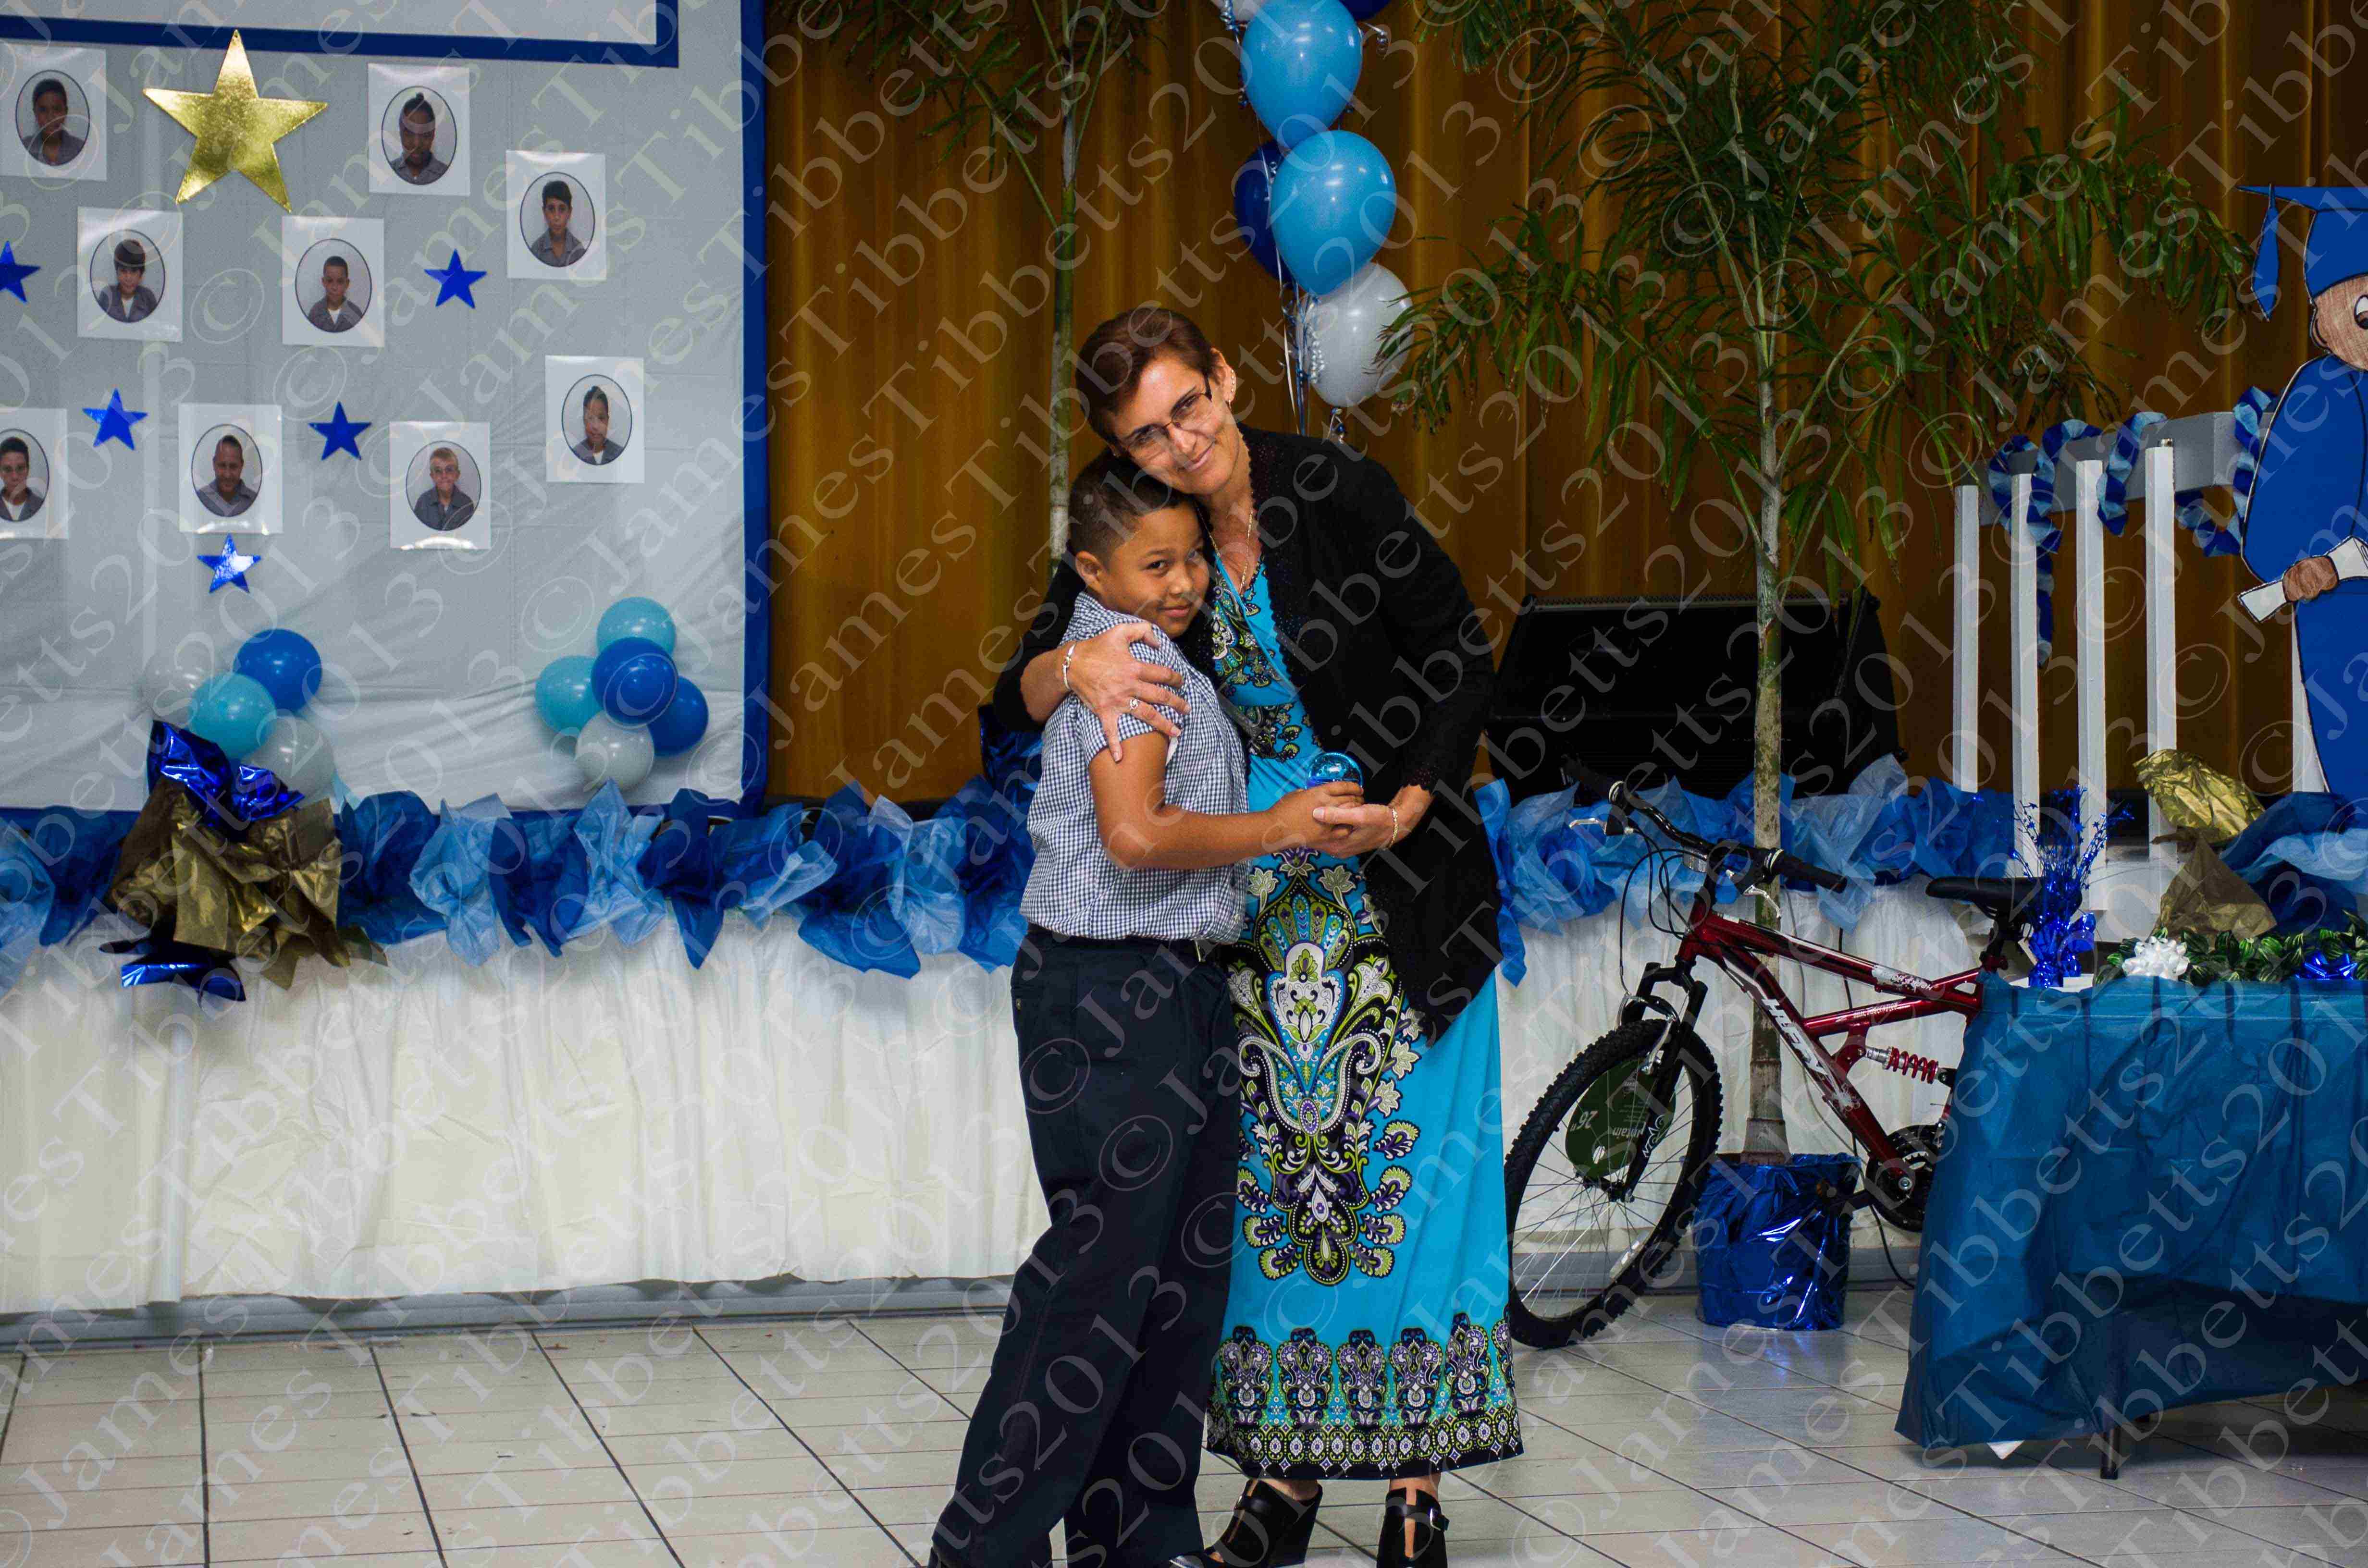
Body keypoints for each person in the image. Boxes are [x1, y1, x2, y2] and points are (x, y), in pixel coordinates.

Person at [992, 307, 1517, 1568]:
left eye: (1190, 407)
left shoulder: (1337, 489)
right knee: (1274, 1209)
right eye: (1146, 434)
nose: (1180, 444)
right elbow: (1009, 696)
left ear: (1226, 380)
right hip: (1246, 919)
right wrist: (1075, 670)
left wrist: (1412, 800)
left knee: (1410, 1190)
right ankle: (1283, 1482)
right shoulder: (1139, 532)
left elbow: (1459, 649)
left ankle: (1413, 1493)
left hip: (1402, 896)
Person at [928, 452, 1360, 1568]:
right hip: (1115, 992)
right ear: (1093, 570)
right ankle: (985, 1549)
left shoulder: (1147, 647)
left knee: (1175, 1290)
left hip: (1181, 983)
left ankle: (1138, 1541)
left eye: (1191, 560)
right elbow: (1133, 834)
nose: (1182, 583)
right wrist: (1281, 829)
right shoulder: (1131, 659)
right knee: (1098, 1288)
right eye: (1154, 564)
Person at [2243, 185, 2368, 806]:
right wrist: (2298, 563)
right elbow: (2279, 504)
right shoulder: (2321, 391)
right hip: (2348, 605)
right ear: (2322, 320)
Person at [412, 446, 475, 531]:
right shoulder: (423, 503)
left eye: (449, 470)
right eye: (438, 471)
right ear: (432, 476)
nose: (444, 476)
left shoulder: (467, 504)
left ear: (457, 475)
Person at [24, 76, 82, 166]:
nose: (50, 117)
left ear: (66, 112)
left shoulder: (81, 148)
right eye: (43, 110)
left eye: (57, 110)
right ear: (35, 113)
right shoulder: (23, 147)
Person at [529, 178, 586, 268]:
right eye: (551, 209)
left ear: (570, 212)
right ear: (544, 212)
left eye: (562, 209)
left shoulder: (579, 251)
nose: (556, 217)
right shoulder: (536, 250)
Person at [392, 94, 447, 185]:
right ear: (400, 133)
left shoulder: (448, 174)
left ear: (433, 135)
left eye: (425, 135)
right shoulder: (388, 170)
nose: (417, 144)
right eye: (409, 134)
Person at [197, 435, 257, 518]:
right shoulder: (199, 499)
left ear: (242, 466)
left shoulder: (256, 501)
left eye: (233, 467)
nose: (227, 475)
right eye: (222, 466)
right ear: (214, 464)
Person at [99, 239, 156, 324]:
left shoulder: (148, 298)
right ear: (117, 272)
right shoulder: (107, 295)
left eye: (134, 271)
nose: (128, 278)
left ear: (141, 275)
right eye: (123, 271)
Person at [306, 255, 362, 333]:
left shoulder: (356, 314)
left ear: (347, 284)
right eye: (330, 281)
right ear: (323, 282)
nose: (335, 287)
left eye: (340, 281)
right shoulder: (315, 313)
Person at [570, 386, 623, 464]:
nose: (596, 426)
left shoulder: (621, 454)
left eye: (601, 418)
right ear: (584, 421)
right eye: (591, 418)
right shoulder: (573, 455)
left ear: (608, 420)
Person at [0, 438, 43, 522]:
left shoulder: (44, 507)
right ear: (0, 473)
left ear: (28, 470)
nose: (15, 477)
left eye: (20, 468)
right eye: (8, 469)